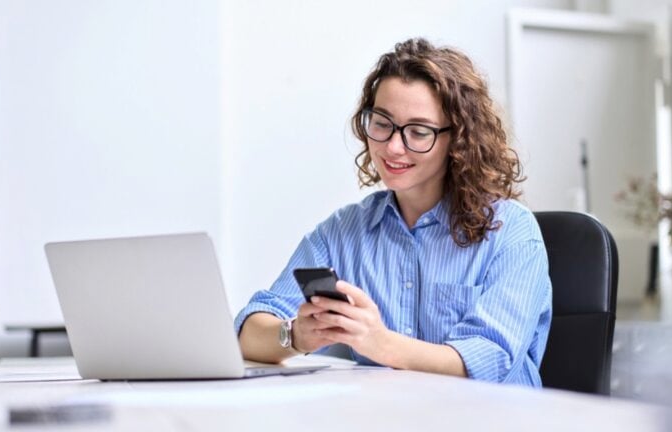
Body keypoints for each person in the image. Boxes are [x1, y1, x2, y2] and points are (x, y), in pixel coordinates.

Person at [234, 38, 552, 386]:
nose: (392, 147)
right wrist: (296, 336)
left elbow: (490, 359)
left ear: (458, 140)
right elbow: (250, 330)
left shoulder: (512, 232)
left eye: (418, 132)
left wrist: (379, 343)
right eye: (382, 123)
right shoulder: (342, 232)